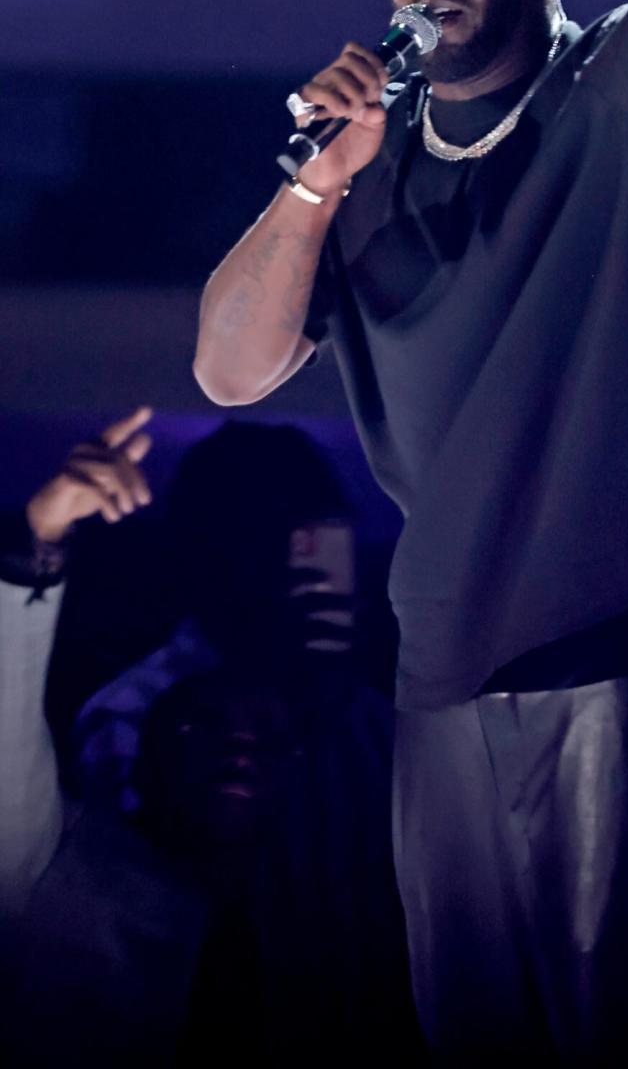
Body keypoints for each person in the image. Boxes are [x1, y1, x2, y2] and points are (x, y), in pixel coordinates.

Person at [194, 0, 628, 1064]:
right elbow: (226, 371)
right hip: (448, 663)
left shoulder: (616, 90)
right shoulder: (367, 162)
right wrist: (315, 181)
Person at [0, 413, 420, 1064]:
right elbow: (124, 885)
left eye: (320, 541)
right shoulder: (136, 714)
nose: (301, 570)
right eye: (275, 542)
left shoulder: (373, 723)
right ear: (215, 554)